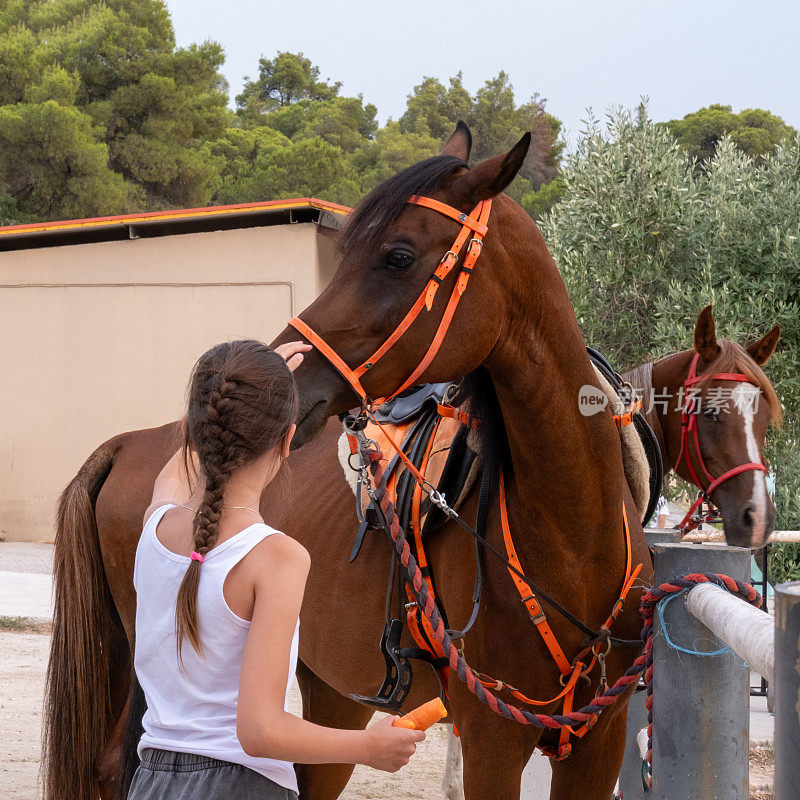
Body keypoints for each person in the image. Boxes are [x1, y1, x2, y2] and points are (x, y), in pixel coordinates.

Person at [128, 339, 424, 800]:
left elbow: (174, 474)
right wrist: (367, 746)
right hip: (240, 785)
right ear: (288, 441)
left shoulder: (155, 529)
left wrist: (242, 386)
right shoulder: (275, 557)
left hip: (150, 783)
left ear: (188, 432)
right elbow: (260, 730)